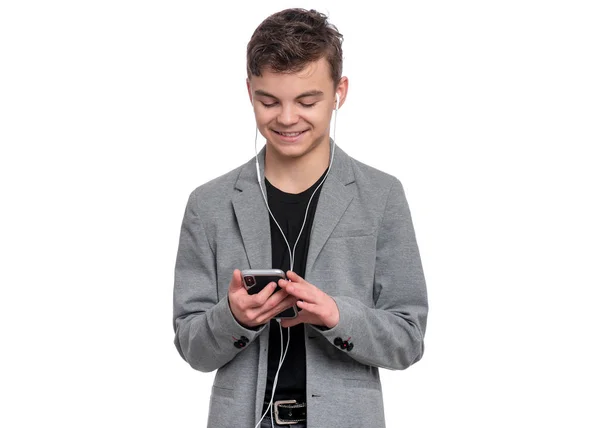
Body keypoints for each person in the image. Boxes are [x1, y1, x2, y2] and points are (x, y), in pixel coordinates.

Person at [173, 8, 428, 428]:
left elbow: (407, 340)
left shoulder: (382, 196)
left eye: (307, 101)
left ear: (339, 92)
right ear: (249, 91)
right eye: (268, 101)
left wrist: (336, 314)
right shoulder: (209, 204)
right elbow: (192, 347)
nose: (287, 118)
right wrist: (232, 317)